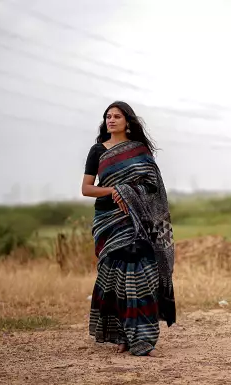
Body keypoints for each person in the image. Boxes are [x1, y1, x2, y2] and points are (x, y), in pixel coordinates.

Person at [82, 101, 175, 357]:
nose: (111, 120)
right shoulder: (97, 151)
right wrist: (115, 190)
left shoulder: (140, 151)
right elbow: (87, 189)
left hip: (139, 222)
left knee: (142, 276)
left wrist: (130, 193)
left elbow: (153, 187)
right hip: (108, 221)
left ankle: (144, 340)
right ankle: (122, 337)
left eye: (116, 116)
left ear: (128, 122)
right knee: (114, 279)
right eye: (107, 117)